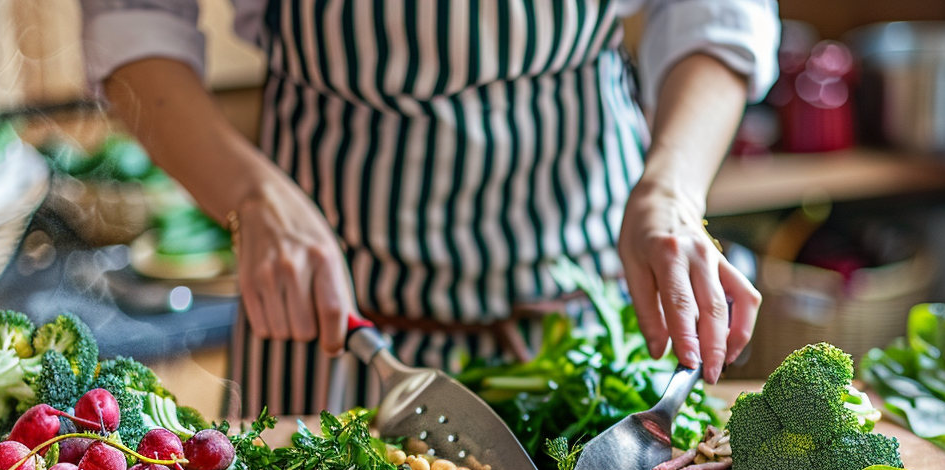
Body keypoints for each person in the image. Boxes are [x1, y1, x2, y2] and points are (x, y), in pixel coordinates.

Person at [81, 0, 779, 415]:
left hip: (582, 317)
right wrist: (248, 194)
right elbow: (132, 23)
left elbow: (712, 13)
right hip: (326, 326)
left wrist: (672, 191)